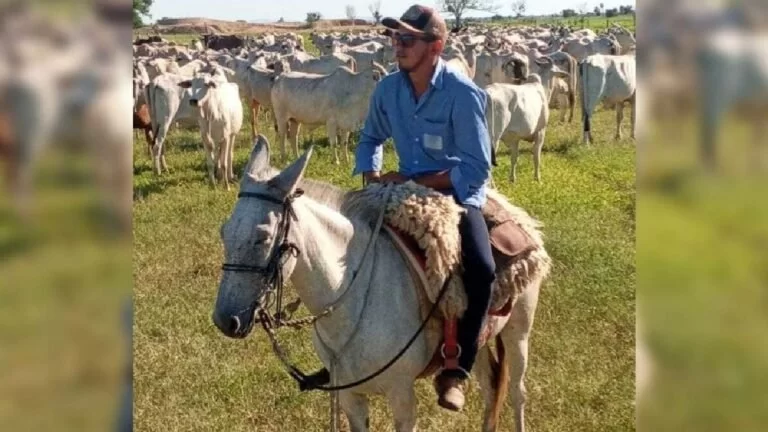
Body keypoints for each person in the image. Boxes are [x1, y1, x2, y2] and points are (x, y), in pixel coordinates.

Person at [352, 4, 496, 412]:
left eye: (408, 39)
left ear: (436, 46)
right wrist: (371, 177)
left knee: (481, 270)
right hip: (400, 189)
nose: (398, 45)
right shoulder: (388, 89)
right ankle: (350, 345)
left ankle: (457, 369)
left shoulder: (462, 94)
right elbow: (370, 138)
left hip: (454, 194)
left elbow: (476, 168)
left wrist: (415, 183)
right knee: (347, 242)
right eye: (395, 37)